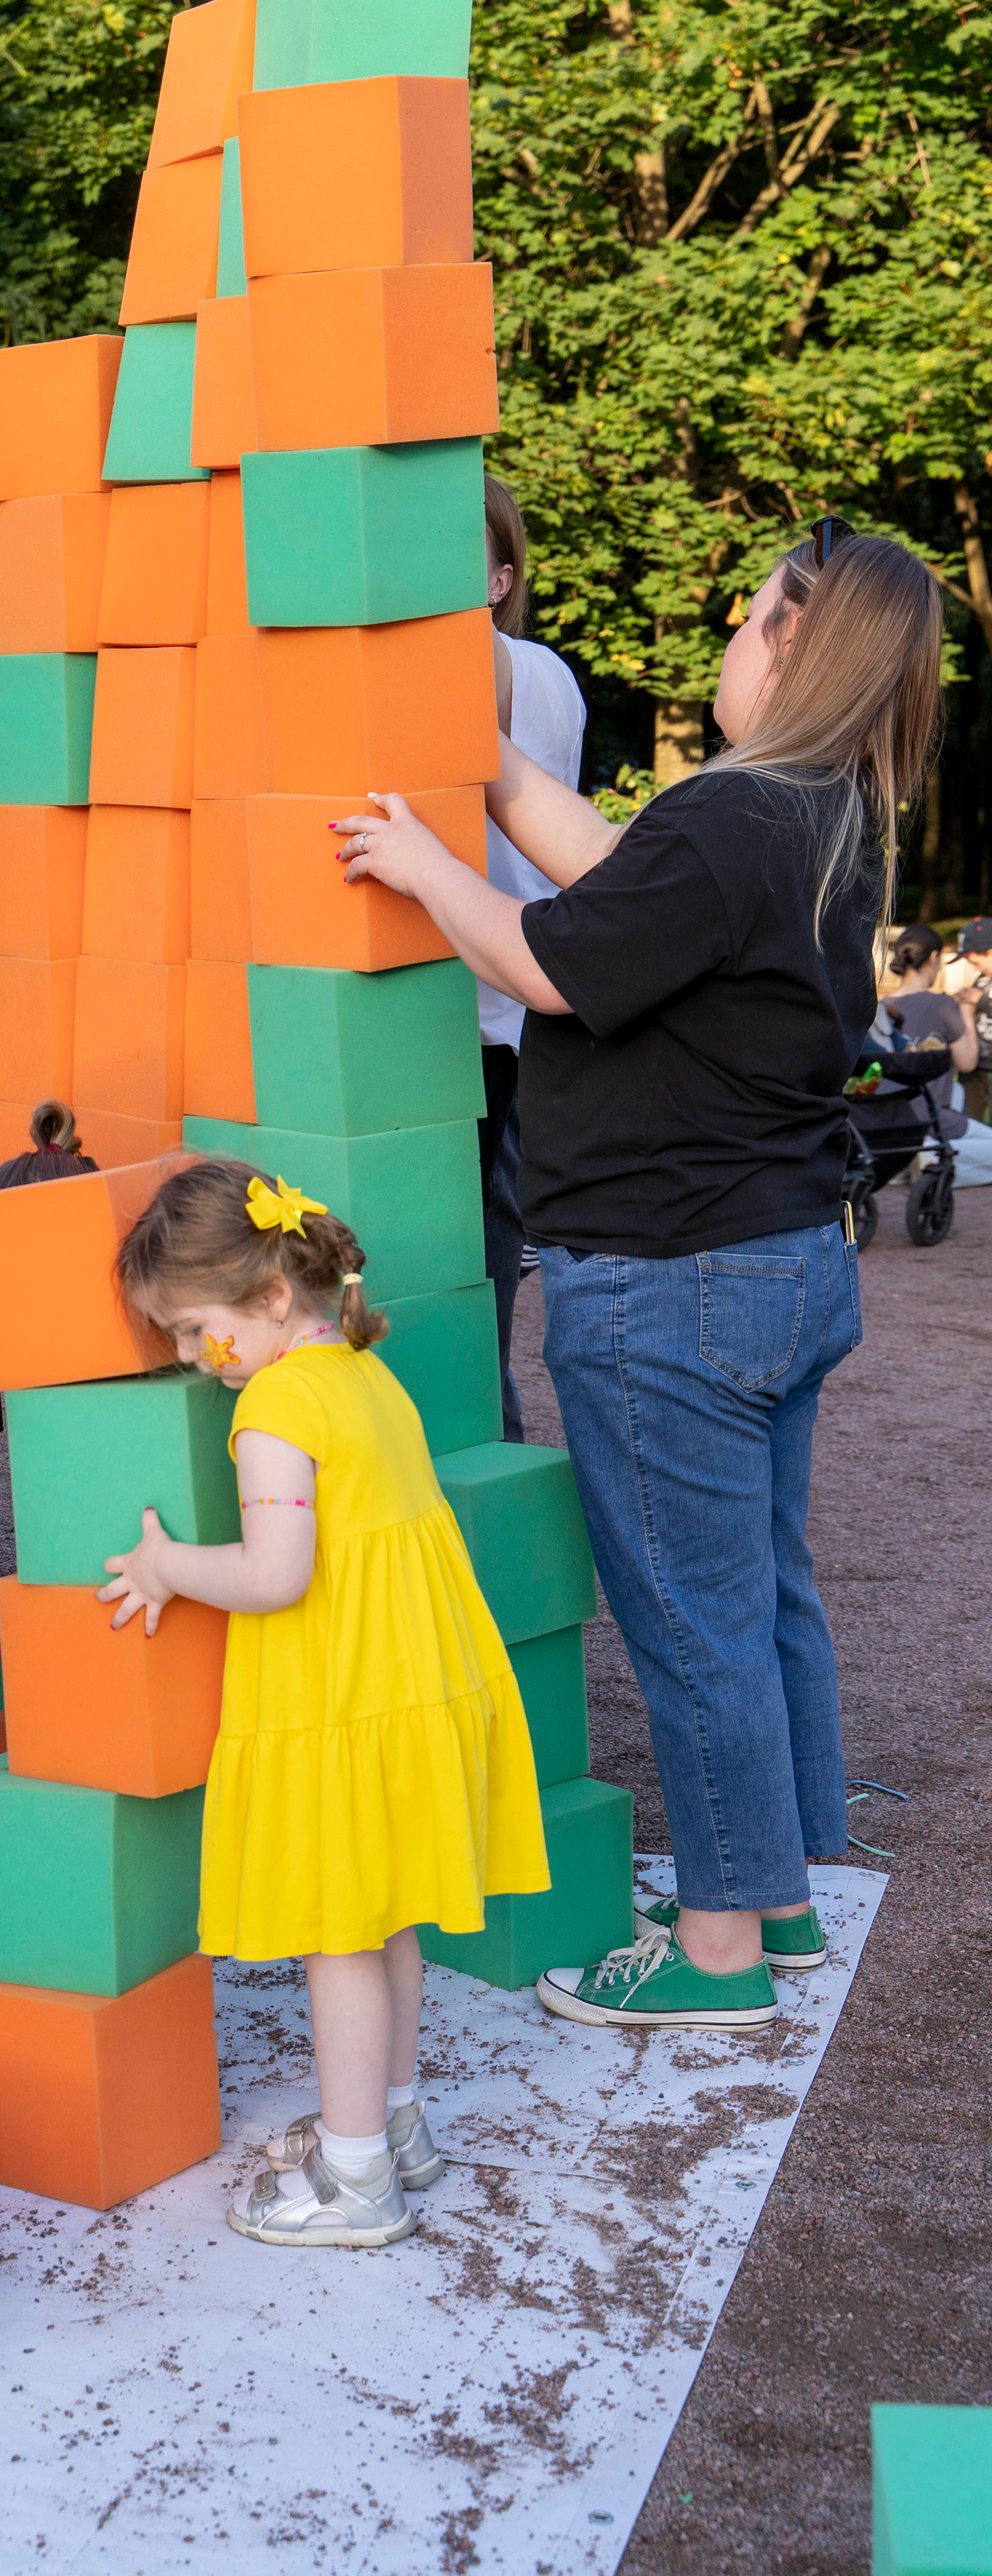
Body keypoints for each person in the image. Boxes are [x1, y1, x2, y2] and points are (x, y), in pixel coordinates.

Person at [332, 524, 940, 2030]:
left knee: (690, 1623)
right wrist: (480, 763)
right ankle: (777, 1894)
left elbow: (550, 960)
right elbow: (618, 881)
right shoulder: (821, 815)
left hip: (674, 1280)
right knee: (758, 1596)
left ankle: (718, 1950)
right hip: (777, 1261)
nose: (727, 640)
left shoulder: (737, 812)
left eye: (748, 616)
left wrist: (421, 865)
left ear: (792, 646)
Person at [100, 1160, 546, 2250]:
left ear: (265, 1298)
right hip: (412, 1682)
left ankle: (353, 2182)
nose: (188, 1357)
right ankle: (393, 2125)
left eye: (194, 1330)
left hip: (344, 1693)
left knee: (337, 1935)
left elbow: (274, 1573)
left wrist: (165, 1567)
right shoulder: (358, 1369)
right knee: (385, 1917)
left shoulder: (274, 1404)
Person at [478, 476, 587, 1441]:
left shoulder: (472, 667)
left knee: (459, 1249)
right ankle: (494, 1431)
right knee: (493, 1242)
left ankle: (483, 1434)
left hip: (469, 1001)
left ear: (500, 578)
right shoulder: (552, 671)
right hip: (527, 999)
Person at [858, 922, 992, 1185]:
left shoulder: (881, 1008)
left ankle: (914, 1162)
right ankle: (931, 1157)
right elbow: (967, 1063)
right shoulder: (942, 1004)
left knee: (958, 1091)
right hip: (928, 1116)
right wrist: (966, 1010)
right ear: (933, 958)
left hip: (886, 1118)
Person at [945, 915, 992, 1118]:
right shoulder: (982, 979)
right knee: (971, 1119)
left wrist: (981, 1000)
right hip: (974, 1064)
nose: (974, 967)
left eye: (975, 961)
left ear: (989, 952)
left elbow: (981, 1001)